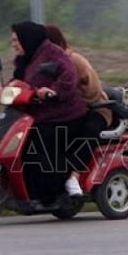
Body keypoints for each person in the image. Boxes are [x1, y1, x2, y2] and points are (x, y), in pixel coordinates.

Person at [11, 22, 87, 205]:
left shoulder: (53, 53)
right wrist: (4, 90)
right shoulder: (25, 59)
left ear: (26, 39)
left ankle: (57, 191)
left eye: (15, 40)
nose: (13, 44)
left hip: (64, 115)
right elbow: (17, 80)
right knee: (21, 144)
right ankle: (32, 192)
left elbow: (69, 76)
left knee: (39, 144)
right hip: (39, 115)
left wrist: (53, 90)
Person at [45, 25, 112, 197]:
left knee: (87, 131)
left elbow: (94, 90)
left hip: (97, 108)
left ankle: (73, 176)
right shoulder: (46, 63)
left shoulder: (73, 61)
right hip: (70, 111)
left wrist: (71, 100)